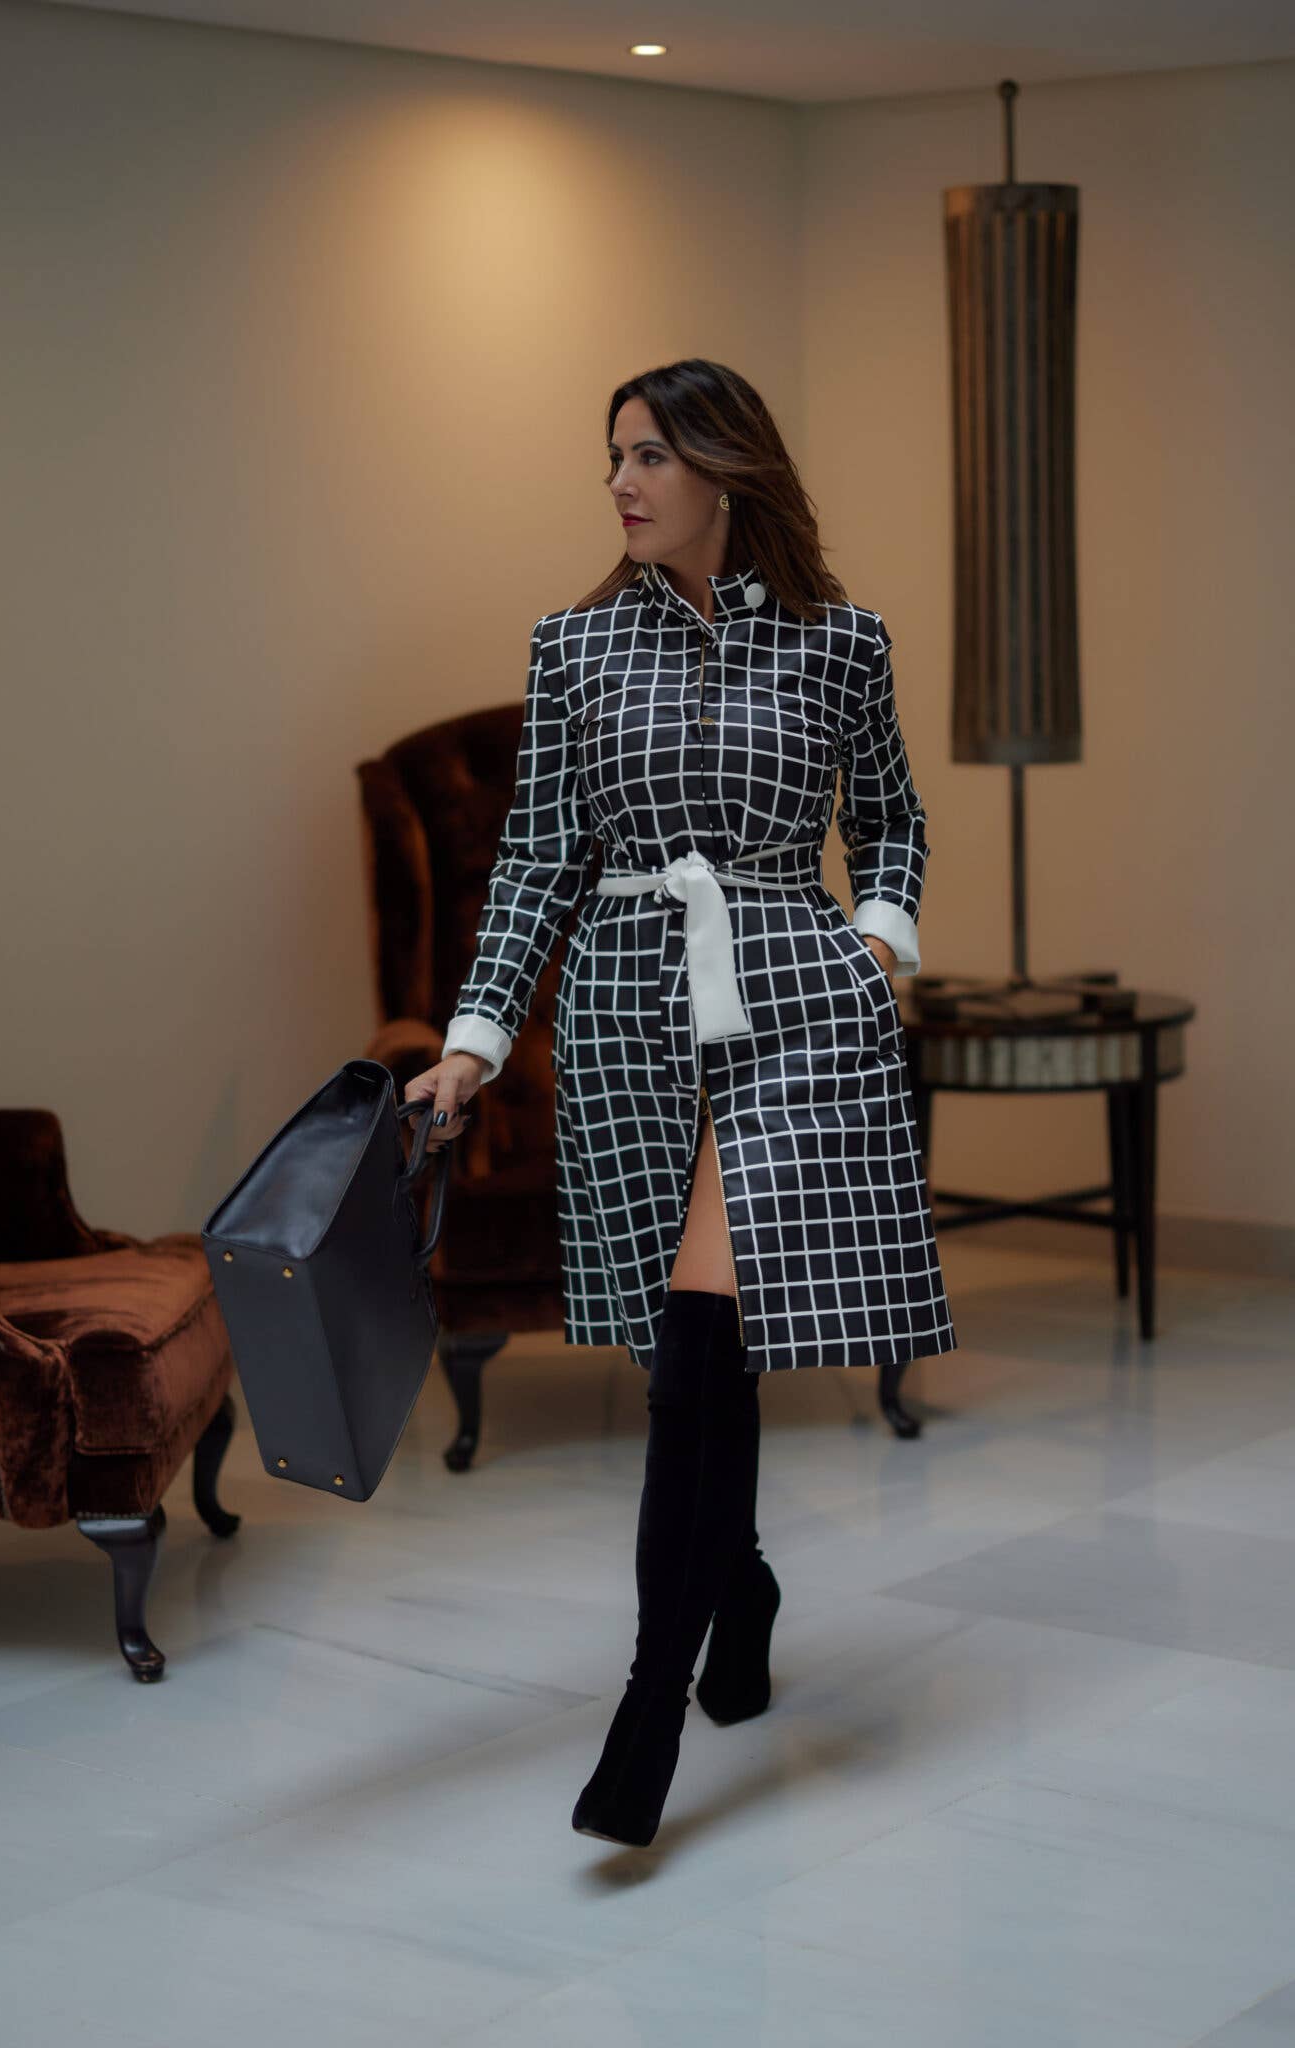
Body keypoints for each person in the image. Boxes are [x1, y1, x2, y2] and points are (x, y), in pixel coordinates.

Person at [405, 357, 957, 1849]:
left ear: (726, 466)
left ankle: (649, 1707)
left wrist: (877, 944)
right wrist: (473, 1040)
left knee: (703, 1344)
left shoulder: (843, 641)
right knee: (691, 1364)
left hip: (797, 1009)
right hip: (627, 1014)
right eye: (614, 457)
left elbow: (892, 820)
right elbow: (537, 857)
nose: (621, 482)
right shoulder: (574, 646)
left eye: (649, 454)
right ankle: (745, 1585)